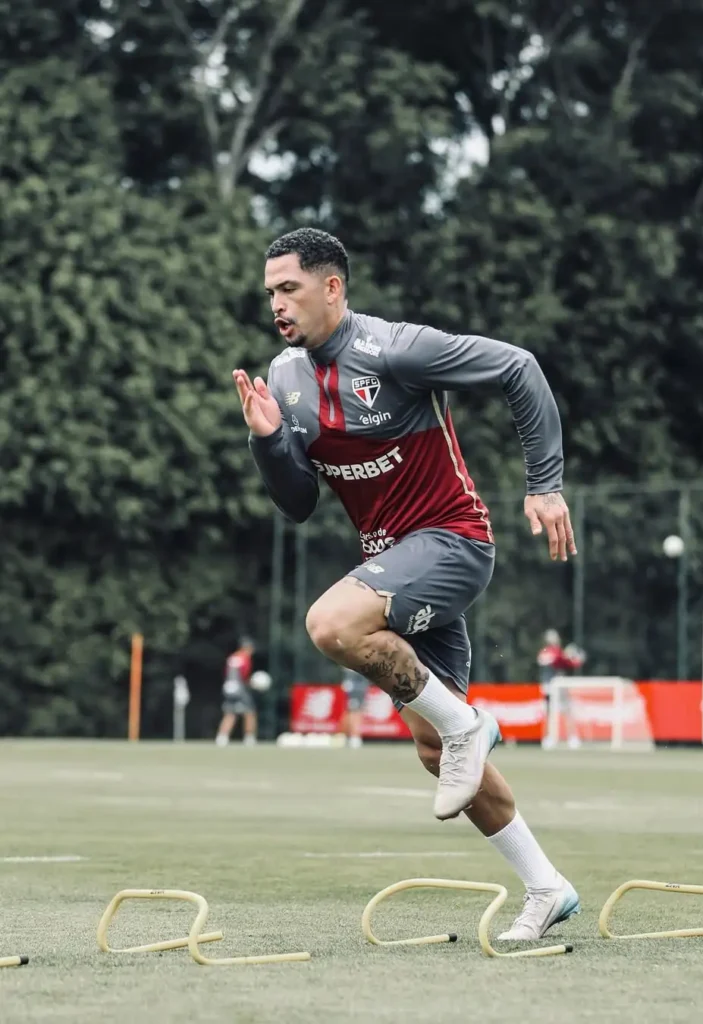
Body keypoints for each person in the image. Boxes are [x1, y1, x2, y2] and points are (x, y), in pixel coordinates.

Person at [234, 227, 579, 941]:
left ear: (332, 287)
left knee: (331, 623)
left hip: (454, 542)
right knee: (434, 750)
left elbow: (518, 367)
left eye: (289, 288)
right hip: (395, 568)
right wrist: (268, 442)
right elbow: (298, 503)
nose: (276, 304)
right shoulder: (286, 377)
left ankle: (468, 725)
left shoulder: (396, 349)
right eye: (270, 292)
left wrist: (544, 484)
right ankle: (547, 887)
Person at [538, 629, 586, 750]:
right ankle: (569, 738)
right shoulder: (555, 651)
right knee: (564, 711)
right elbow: (565, 662)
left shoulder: (545, 652)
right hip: (556, 685)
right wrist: (575, 659)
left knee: (552, 712)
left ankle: (550, 738)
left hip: (549, 686)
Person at [215, 637, 258, 747]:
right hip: (239, 688)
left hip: (228, 687)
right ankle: (249, 737)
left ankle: (222, 737)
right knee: (249, 712)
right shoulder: (244, 658)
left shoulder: (232, 657)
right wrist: (251, 683)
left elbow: (227, 673)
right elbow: (243, 675)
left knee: (230, 713)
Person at [340, 667, 369, 748]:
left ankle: (353, 736)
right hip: (354, 689)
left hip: (357, 689)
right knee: (352, 712)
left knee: (355, 712)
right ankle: (352, 736)